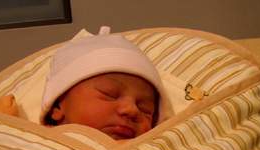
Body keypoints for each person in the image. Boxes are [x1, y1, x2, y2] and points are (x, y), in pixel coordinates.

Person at [40, 26, 172, 140]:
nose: (132, 110)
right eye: (110, 94)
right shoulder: (38, 140)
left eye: (145, 109)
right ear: (57, 107)